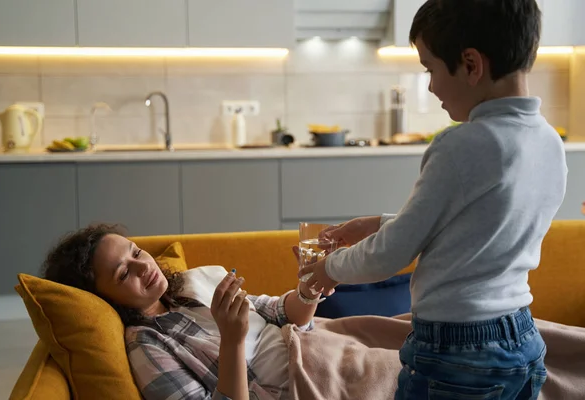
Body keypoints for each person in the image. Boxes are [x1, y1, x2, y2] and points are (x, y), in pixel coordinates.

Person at [298, 1, 568, 399]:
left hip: (456, 351)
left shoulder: (461, 145)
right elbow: (479, 225)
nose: (430, 86)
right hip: (522, 338)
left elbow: (389, 256)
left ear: (471, 65)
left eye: (430, 68)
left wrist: (327, 270)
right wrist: (377, 223)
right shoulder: (547, 140)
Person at [42, 223, 326, 400]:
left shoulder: (191, 284)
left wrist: (310, 287)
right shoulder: (147, 346)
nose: (143, 267)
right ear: (104, 300)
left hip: (322, 353)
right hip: (306, 383)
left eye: (137, 252)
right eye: (124, 273)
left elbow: (279, 313)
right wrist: (232, 340)